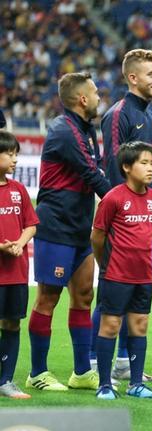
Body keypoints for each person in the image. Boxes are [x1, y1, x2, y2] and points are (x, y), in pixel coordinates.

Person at [27, 72, 111, 392]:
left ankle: (81, 372)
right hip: (55, 226)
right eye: (95, 92)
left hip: (78, 228)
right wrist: (123, 202)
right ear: (82, 99)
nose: (99, 96)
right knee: (48, 299)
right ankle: (37, 372)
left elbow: (95, 172)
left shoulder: (86, 130)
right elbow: (91, 174)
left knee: (83, 297)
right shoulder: (64, 130)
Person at [97, 49, 152, 383]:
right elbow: (114, 165)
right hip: (126, 219)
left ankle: (125, 362)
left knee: (145, 287)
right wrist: (121, 213)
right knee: (114, 290)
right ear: (133, 78)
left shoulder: (150, 116)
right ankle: (91, 362)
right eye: (151, 74)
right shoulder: (119, 114)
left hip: (151, 214)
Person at [92, 141, 152, 400]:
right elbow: (97, 237)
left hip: (143, 276)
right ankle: (104, 384)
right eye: (143, 163)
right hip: (116, 275)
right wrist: (105, 265)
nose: (150, 168)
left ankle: (136, 383)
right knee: (110, 326)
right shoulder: (113, 198)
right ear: (126, 166)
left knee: (140, 326)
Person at [0, 132, 38, 399]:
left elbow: (31, 224)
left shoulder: (18, 190)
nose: (15, 159)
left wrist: (19, 243)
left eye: (16, 154)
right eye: (9, 154)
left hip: (16, 273)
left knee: (12, 324)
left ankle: (6, 381)